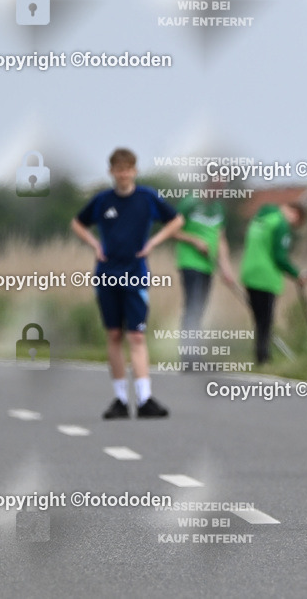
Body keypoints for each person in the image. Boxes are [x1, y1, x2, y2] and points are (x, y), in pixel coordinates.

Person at [71, 148, 183, 419]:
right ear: (111, 172)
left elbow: (177, 220)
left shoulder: (147, 198)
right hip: (107, 273)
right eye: (118, 170)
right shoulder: (102, 201)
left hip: (135, 273)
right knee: (114, 335)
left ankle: (144, 398)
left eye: (127, 170)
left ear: (135, 171)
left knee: (136, 335)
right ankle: (120, 399)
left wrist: (153, 242)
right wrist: (95, 244)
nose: (123, 175)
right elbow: (78, 223)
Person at [173, 187, 236, 369]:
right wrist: (195, 240)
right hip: (190, 262)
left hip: (209, 265)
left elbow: (221, 239)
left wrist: (226, 268)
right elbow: (173, 231)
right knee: (192, 307)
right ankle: (188, 357)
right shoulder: (190, 202)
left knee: (200, 309)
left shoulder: (219, 208)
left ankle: (195, 355)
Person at [239, 202, 307, 364]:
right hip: (266, 276)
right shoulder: (280, 224)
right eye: (295, 223)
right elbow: (279, 257)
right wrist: (296, 274)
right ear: (295, 214)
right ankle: (263, 358)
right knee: (266, 320)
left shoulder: (259, 218)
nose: (291, 226)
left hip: (250, 272)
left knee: (258, 319)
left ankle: (260, 355)